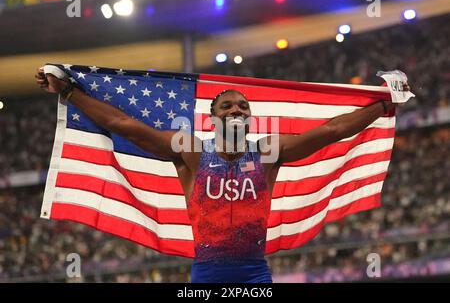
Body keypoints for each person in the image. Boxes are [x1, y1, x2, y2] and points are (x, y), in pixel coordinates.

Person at [35, 67, 407, 283]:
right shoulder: (191, 151)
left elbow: (331, 131)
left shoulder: (266, 153)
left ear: (249, 117)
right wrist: (69, 91)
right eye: (226, 105)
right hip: (206, 275)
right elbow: (123, 125)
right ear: (213, 117)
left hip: (254, 275)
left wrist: (383, 104)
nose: (236, 109)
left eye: (242, 106)